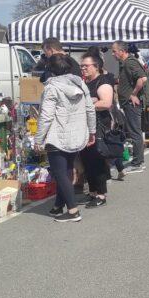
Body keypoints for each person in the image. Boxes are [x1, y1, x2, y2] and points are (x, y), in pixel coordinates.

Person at [37, 54, 96, 222]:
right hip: (77, 134)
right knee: (67, 169)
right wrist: (92, 131)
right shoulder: (80, 83)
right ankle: (58, 206)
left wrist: (38, 139)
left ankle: (73, 210)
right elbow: (90, 109)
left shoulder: (51, 87)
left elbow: (46, 116)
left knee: (60, 173)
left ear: (50, 70)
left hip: (58, 135)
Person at [77, 53, 116, 206]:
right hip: (87, 127)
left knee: (97, 160)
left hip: (99, 127)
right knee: (87, 160)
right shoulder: (87, 82)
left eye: (86, 66)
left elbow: (106, 103)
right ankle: (93, 192)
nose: (83, 68)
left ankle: (101, 195)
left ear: (96, 66)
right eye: (81, 66)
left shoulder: (103, 82)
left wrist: (89, 105)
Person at [111, 41, 147, 173]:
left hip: (131, 103)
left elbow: (142, 79)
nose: (113, 54)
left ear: (122, 51)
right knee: (134, 131)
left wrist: (133, 94)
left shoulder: (130, 62)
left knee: (135, 132)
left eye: (114, 51)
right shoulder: (126, 63)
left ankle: (138, 162)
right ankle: (137, 161)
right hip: (128, 103)